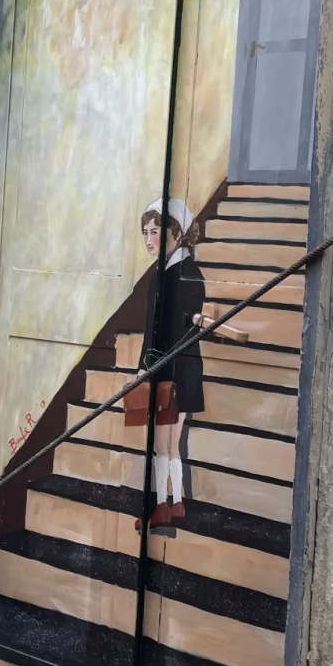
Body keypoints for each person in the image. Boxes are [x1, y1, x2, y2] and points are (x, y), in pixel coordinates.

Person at [137, 197, 207, 533]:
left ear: (177, 234)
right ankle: (176, 502)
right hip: (176, 370)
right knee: (171, 444)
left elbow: (173, 331)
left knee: (161, 444)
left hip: (174, 373)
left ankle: (161, 507)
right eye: (145, 232)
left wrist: (148, 367)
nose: (149, 240)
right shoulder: (168, 272)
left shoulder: (182, 274)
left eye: (156, 232)